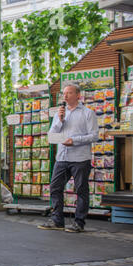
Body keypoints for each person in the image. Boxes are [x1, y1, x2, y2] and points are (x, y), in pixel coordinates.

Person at [38, 84, 99, 233]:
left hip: (80, 158)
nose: (65, 96)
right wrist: (60, 119)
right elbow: (52, 134)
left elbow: (94, 135)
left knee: (81, 190)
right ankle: (57, 220)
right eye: (64, 93)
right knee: (55, 187)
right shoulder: (60, 113)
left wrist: (74, 140)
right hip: (62, 157)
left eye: (69, 93)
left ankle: (79, 222)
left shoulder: (87, 113)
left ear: (78, 95)